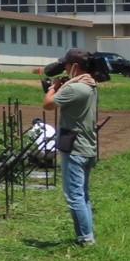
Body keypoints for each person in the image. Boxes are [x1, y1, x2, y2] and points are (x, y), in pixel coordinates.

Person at [43, 48, 99, 245]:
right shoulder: (90, 85)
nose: (65, 68)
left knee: (74, 196)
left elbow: (48, 104)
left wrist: (53, 87)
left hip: (75, 149)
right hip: (88, 146)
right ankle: (87, 234)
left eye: (67, 65)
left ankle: (85, 238)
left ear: (75, 66)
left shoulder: (74, 88)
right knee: (82, 195)